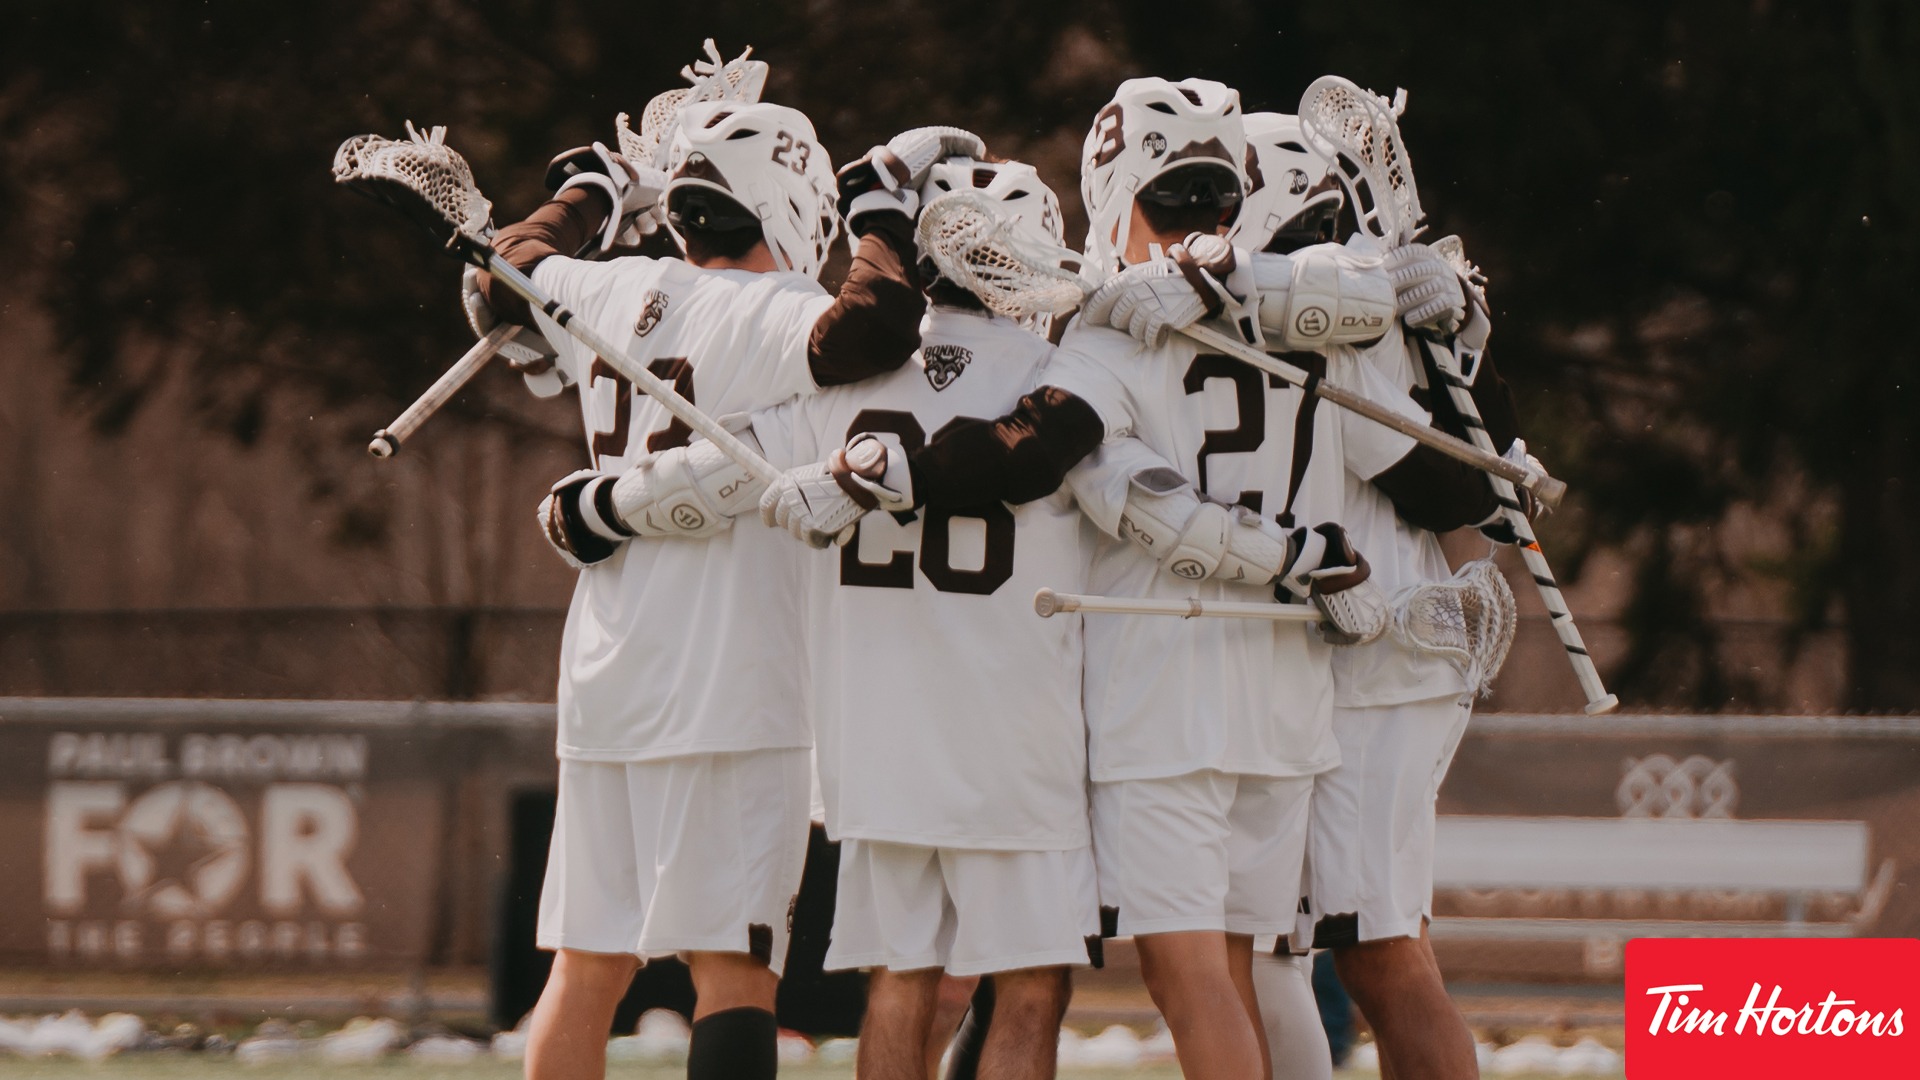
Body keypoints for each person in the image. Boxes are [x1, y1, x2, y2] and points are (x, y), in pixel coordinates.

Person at [760, 77, 1486, 1080]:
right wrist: (1434, 311)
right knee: (1240, 972)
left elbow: (1033, 452)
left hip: (1166, 697)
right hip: (1289, 704)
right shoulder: (1330, 315)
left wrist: (882, 475)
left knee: (1194, 984)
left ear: (1114, 189)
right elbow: (1437, 474)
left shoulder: (1110, 332)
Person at [474, 98, 979, 1080]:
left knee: (586, 968)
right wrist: (882, 206)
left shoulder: (609, 289)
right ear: (788, 198)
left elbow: (506, 271)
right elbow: (879, 320)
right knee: (735, 972)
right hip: (732, 682)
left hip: (607, 672)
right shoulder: (776, 311)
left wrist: (588, 193)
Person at [588, 155, 1102, 1080]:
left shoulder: (836, 393)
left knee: (900, 979)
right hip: (1015, 732)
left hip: (872, 737)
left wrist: (596, 507)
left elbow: (708, 473)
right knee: (1028, 984)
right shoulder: (1065, 376)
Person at [1228, 112, 1529, 1080]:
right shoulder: (1284, 306)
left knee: (1375, 945)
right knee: (1289, 936)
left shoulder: (1354, 324)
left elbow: (1471, 482)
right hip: (1329, 655)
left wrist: (1462, 332)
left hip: (1388, 651)